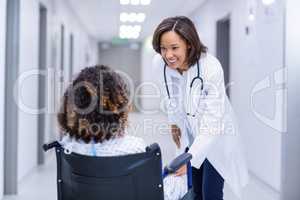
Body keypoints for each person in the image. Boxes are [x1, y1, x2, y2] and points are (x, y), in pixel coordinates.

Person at [152, 16, 249, 199]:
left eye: (174, 48)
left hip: (216, 135)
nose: (168, 55)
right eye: (163, 48)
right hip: (191, 132)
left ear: (189, 44)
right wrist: (174, 122)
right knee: (196, 190)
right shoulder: (160, 64)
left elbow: (213, 122)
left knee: (210, 193)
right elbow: (169, 95)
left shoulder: (210, 67)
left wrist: (189, 158)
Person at [57, 65, 187, 200]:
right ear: (118, 108)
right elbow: (151, 193)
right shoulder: (134, 148)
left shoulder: (67, 145)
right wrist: (175, 177)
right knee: (181, 179)